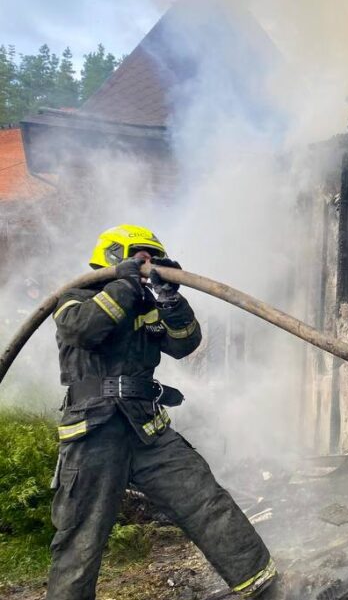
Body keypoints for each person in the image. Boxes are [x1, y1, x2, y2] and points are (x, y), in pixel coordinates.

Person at [47, 224, 277, 600]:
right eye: (141, 257)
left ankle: (265, 586)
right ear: (114, 256)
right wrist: (123, 286)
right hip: (94, 432)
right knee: (81, 536)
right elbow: (83, 332)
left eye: (153, 259)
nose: (148, 264)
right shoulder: (76, 296)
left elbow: (185, 343)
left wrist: (170, 300)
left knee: (205, 499)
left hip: (148, 430)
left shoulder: (147, 304)